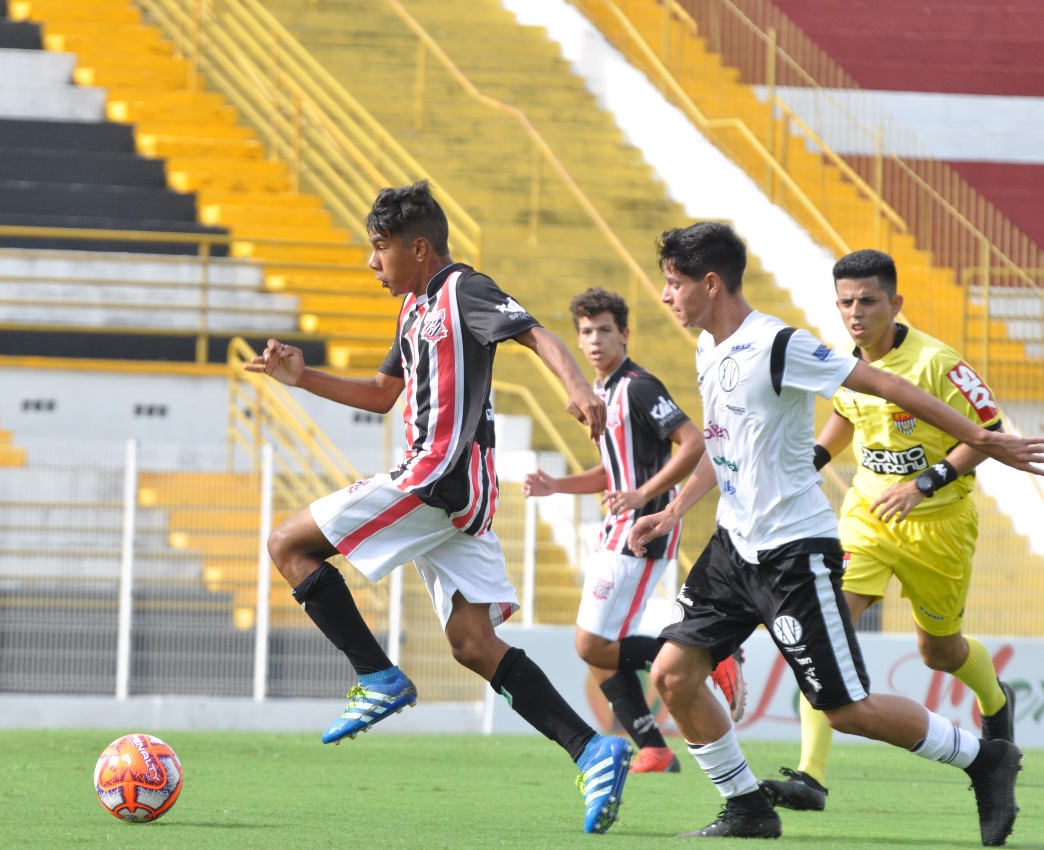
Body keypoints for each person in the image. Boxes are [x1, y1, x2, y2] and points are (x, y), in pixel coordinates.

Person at [629, 221, 1037, 844]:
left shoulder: (777, 344)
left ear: (709, 284)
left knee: (847, 709)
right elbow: (722, 444)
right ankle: (746, 809)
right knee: (672, 675)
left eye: (673, 283)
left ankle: (985, 758)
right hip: (733, 548)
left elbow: (886, 384)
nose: (665, 296)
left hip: (794, 552)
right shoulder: (708, 350)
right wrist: (675, 507)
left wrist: (980, 438)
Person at [245, 180, 631, 834]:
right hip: (457, 488)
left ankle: (377, 677)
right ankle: (593, 749)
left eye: (380, 248)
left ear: (418, 247)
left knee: (287, 543)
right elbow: (379, 393)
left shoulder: (462, 290)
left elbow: (536, 334)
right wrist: (301, 376)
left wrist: (577, 390)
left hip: (437, 478)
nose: (372, 262)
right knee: (473, 644)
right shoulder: (413, 309)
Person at [760, 249, 1016, 813]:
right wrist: (812, 461)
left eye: (869, 301)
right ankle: (811, 775)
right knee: (822, 630)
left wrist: (925, 483)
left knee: (939, 653)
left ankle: (997, 704)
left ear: (895, 303)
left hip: (939, 523)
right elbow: (849, 416)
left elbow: (989, 434)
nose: (856, 312)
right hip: (867, 518)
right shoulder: (841, 362)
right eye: (847, 302)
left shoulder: (936, 362)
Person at [523, 287, 743, 775]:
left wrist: (644, 497)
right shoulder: (599, 394)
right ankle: (654, 748)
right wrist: (556, 485)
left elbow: (693, 445)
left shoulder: (639, 387)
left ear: (624, 333)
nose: (595, 340)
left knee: (591, 644)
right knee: (599, 650)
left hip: (644, 531)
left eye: (605, 330)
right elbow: (613, 471)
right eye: (586, 332)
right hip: (615, 526)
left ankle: (711, 654)